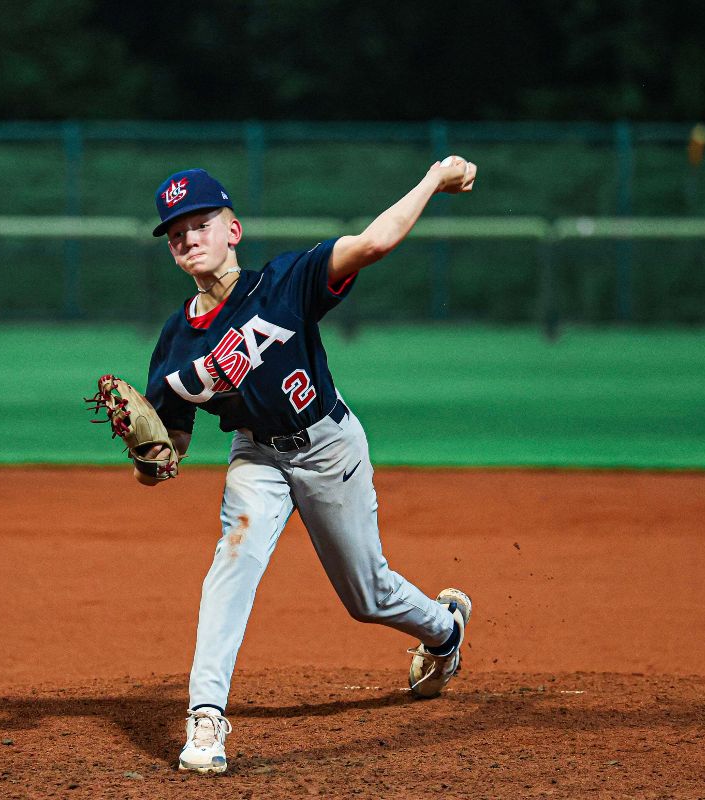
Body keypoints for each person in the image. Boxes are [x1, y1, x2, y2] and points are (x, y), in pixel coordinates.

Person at [140, 158, 477, 774]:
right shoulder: (175, 341)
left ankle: (444, 629)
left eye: (200, 223)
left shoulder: (285, 282)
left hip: (328, 447)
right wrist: (154, 458)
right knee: (232, 563)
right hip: (255, 455)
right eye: (176, 232)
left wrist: (432, 180)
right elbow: (173, 443)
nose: (188, 238)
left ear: (233, 230)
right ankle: (206, 717)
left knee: (367, 595)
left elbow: (373, 243)